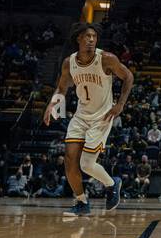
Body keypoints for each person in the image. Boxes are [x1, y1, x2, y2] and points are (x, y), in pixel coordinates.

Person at [43, 22, 134, 216]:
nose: (92, 40)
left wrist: (120, 104)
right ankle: (81, 202)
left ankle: (112, 183)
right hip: (81, 115)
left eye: (94, 37)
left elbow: (128, 77)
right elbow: (62, 87)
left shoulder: (106, 59)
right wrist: (52, 104)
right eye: (87, 36)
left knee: (86, 164)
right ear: (79, 39)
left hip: (102, 116)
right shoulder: (69, 62)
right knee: (69, 160)